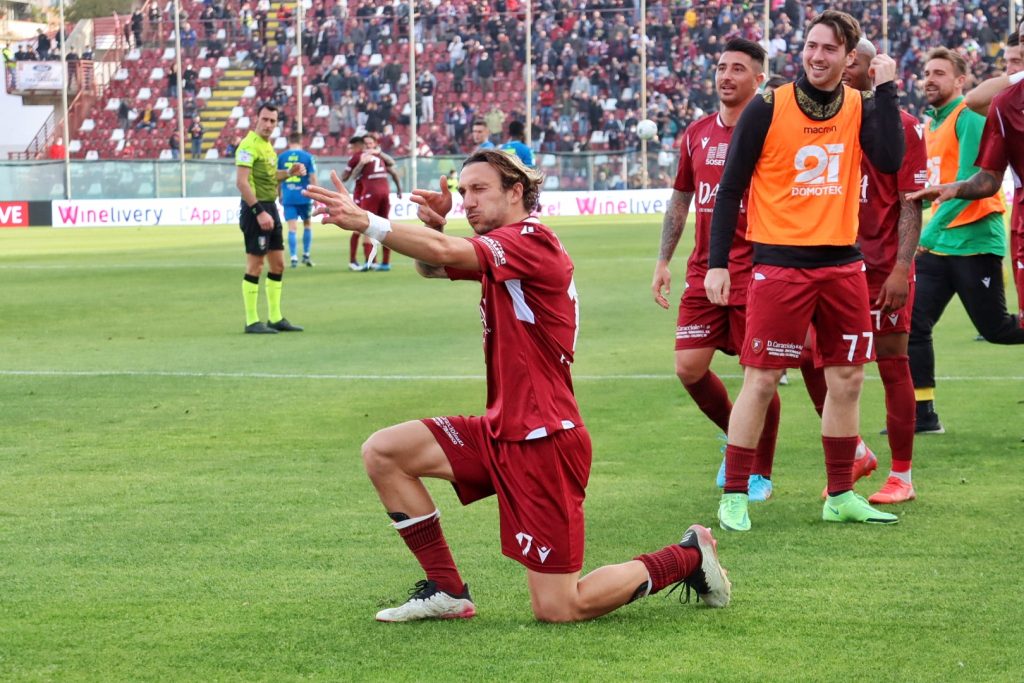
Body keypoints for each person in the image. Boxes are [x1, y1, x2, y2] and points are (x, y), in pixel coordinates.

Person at [302, 149, 731, 623]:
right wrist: (438, 227)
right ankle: (447, 590)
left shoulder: (533, 240)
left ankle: (689, 555)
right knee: (384, 452)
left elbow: (444, 255)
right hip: (501, 428)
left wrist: (367, 221)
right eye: (463, 191)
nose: (467, 200)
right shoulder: (506, 246)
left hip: (545, 440)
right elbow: (435, 265)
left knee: (560, 607)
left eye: (479, 189)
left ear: (516, 192)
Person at [704, 10, 905, 531]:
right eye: (811, 46)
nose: (817, 57)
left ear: (849, 59)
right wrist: (719, 263)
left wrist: (887, 90)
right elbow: (729, 189)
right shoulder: (769, 105)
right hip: (780, 265)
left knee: (848, 380)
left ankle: (839, 493)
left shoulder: (861, 104)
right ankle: (734, 495)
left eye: (829, 50)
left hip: (842, 264)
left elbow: (888, 159)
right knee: (762, 381)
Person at [798, 38, 928, 504]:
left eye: (852, 59)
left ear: (874, 70)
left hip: (881, 269)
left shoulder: (905, 128)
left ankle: (902, 476)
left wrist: (900, 268)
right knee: (809, 353)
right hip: (833, 266)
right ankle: (854, 450)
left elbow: (911, 206)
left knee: (893, 363)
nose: (841, 66)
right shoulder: (828, 123)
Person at [650, 39, 779, 502]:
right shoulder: (697, 132)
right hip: (705, 271)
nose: (726, 76)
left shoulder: (770, 130)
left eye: (738, 69)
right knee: (689, 368)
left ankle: (758, 471)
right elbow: (682, 196)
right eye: (721, 67)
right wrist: (664, 259)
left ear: (758, 79)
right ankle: (738, 436)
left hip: (756, 268)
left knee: (758, 375)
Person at [899, 47, 1024, 434]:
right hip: (940, 247)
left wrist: (926, 234)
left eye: (939, 73)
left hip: (973, 242)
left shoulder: (968, 116)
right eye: (926, 72)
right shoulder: (931, 124)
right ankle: (923, 414)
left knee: (996, 329)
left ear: (960, 81)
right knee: (912, 324)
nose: (929, 79)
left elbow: (977, 181)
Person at [234, 103, 305, 334]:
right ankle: (252, 320)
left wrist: (289, 173)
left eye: (272, 121)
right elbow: (242, 182)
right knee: (255, 265)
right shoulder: (248, 145)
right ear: (257, 119)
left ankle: (275, 317)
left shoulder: (267, 146)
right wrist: (259, 211)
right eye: (265, 119)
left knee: (279, 264)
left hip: (270, 207)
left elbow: (270, 176)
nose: (268, 125)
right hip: (256, 209)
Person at [343, 133, 402, 271]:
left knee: (365, 227)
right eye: (367, 144)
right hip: (379, 193)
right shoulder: (379, 157)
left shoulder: (369, 156)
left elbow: (350, 176)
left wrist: (361, 163)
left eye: (370, 143)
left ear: (375, 144)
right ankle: (380, 262)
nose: (368, 146)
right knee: (381, 226)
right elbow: (393, 168)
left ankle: (371, 262)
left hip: (368, 194)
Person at [278, 132, 319, 268]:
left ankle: (294, 257)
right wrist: (316, 195)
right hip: (304, 196)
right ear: (301, 141)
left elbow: (277, 177)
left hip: (288, 196)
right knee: (307, 224)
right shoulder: (307, 156)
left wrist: (279, 194)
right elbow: (312, 177)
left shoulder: (281, 157)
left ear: (289, 141)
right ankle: (306, 255)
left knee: (292, 228)